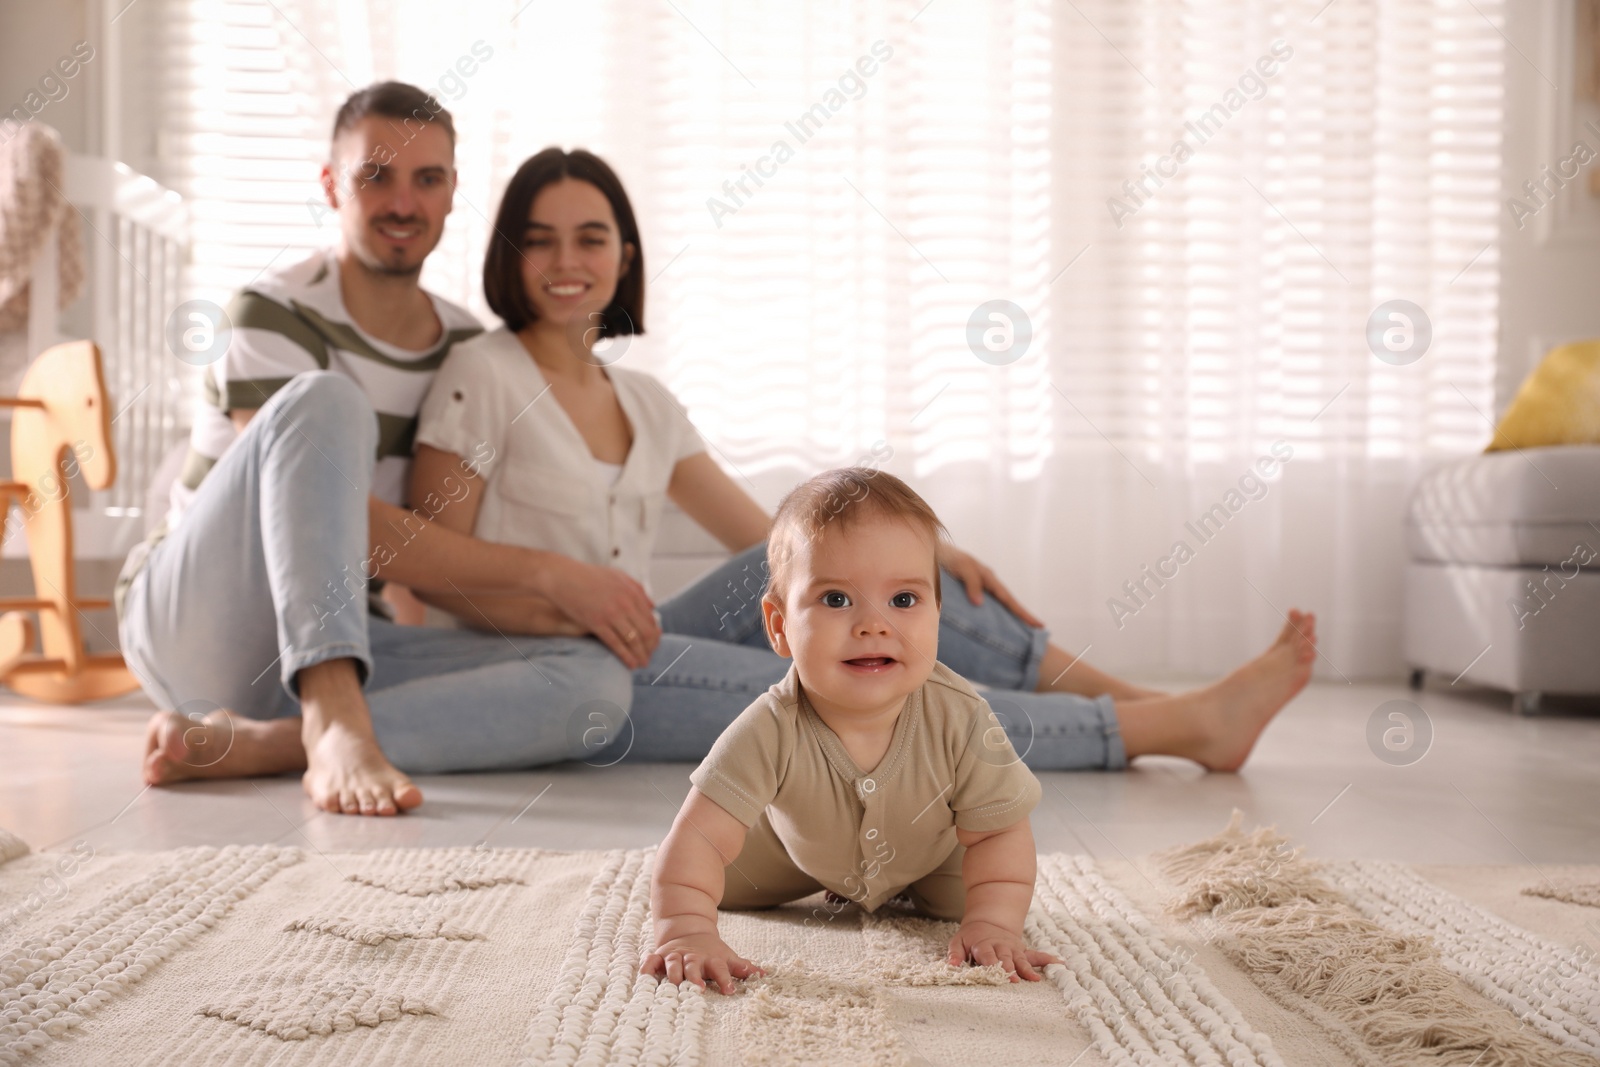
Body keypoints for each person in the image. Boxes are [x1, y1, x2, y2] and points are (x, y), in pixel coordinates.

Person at [410, 146, 1320, 773]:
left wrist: (909, 556)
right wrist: (557, 599)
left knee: (881, 569)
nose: (566, 260)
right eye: (539, 238)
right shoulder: (482, 373)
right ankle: (1161, 727)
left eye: (590, 237)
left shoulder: (644, 400)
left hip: (641, 626)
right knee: (856, 687)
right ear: (509, 255)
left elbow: (771, 544)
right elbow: (429, 578)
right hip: (561, 667)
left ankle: (1167, 703)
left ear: (625, 255)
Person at [118, 83, 634, 817]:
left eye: (427, 179)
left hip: (346, 631)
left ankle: (275, 740)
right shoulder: (271, 311)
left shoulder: (466, 349)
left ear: (453, 192)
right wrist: (552, 575)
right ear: (332, 185)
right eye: (376, 176)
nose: (403, 202)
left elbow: (427, 539)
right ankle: (329, 718)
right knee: (326, 402)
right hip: (200, 618)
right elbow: (310, 511)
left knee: (591, 684)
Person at [642, 469, 1064, 994]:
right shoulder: (770, 726)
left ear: (937, 615)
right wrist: (685, 930)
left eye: (903, 601)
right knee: (710, 882)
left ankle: (934, 895)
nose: (873, 625)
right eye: (837, 600)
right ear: (778, 627)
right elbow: (698, 840)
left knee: (972, 897)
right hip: (793, 852)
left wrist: (995, 925)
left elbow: (1001, 832)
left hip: (933, 855)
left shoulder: (962, 716)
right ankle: (799, 883)